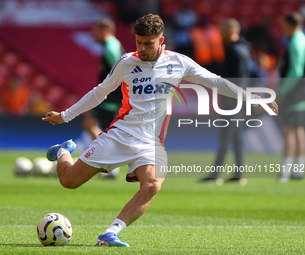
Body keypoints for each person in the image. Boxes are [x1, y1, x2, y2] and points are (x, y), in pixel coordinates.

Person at [42, 14, 278, 247]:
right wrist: (65, 115)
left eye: (148, 43)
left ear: (161, 40)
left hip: (151, 142)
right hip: (120, 134)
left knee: (153, 184)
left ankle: (110, 234)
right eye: (138, 42)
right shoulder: (126, 62)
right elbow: (99, 92)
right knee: (69, 182)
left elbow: (215, 81)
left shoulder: (179, 62)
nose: (142, 48)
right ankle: (64, 151)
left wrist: (251, 97)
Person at [201, 19, 251, 185]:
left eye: (222, 30)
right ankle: (239, 173)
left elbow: (237, 81)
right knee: (236, 137)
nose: (219, 34)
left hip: (233, 101)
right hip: (237, 100)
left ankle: (215, 174)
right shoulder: (239, 49)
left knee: (226, 136)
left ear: (230, 31)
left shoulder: (235, 51)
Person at [82, 18, 123, 178]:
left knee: (89, 123)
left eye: (96, 30)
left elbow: (120, 73)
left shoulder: (111, 47)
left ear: (104, 30)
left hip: (110, 98)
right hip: (111, 97)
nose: (93, 34)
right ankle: (110, 165)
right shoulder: (112, 45)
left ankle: (108, 160)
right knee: (106, 132)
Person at [278, 12, 305, 182]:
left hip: (294, 94)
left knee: (289, 130)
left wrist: (281, 93)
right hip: (301, 93)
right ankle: (299, 169)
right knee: (298, 130)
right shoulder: (302, 40)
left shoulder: (295, 43)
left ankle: (286, 172)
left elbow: (295, 71)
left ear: (289, 25)